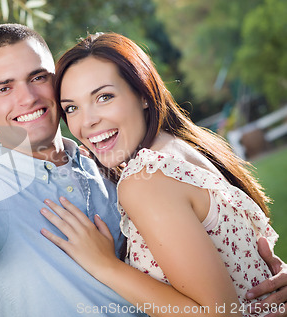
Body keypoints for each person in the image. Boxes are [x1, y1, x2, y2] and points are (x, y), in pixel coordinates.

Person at [0, 24, 287, 316]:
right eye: (3, 88)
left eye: (38, 77)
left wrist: (258, 273)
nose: (27, 98)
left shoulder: (114, 162)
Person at [40, 32, 286, 316]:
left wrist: (105, 265)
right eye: (72, 108)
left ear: (143, 94)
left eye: (104, 97)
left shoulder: (147, 179)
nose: (87, 121)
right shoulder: (182, 148)